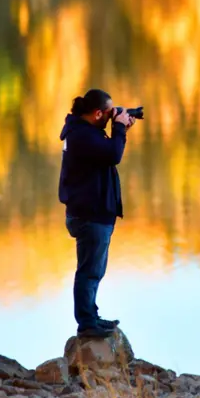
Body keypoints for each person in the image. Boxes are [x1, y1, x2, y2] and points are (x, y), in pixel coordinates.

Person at [58, 88, 135, 338]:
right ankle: (87, 323)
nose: (112, 117)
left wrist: (120, 129)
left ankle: (91, 317)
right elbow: (114, 155)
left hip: (92, 213)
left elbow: (106, 152)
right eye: (109, 112)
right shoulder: (82, 135)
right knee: (89, 271)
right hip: (89, 216)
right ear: (98, 113)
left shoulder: (85, 132)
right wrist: (120, 129)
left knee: (93, 271)